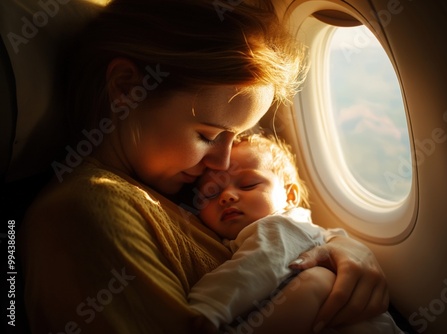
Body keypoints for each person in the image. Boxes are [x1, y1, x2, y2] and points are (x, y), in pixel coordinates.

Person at [19, 0, 389, 333]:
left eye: (237, 137)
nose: (222, 163)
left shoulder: (181, 189)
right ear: (127, 88)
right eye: (208, 136)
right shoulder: (88, 213)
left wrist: (341, 247)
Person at [188, 133, 403, 334]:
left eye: (248, 184)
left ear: (289, 195)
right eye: (212, 192)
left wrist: (207, 305)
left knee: (315, 283)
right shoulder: (310, 232)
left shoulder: (282, 225)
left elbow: (262, 262)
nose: (226, 196)